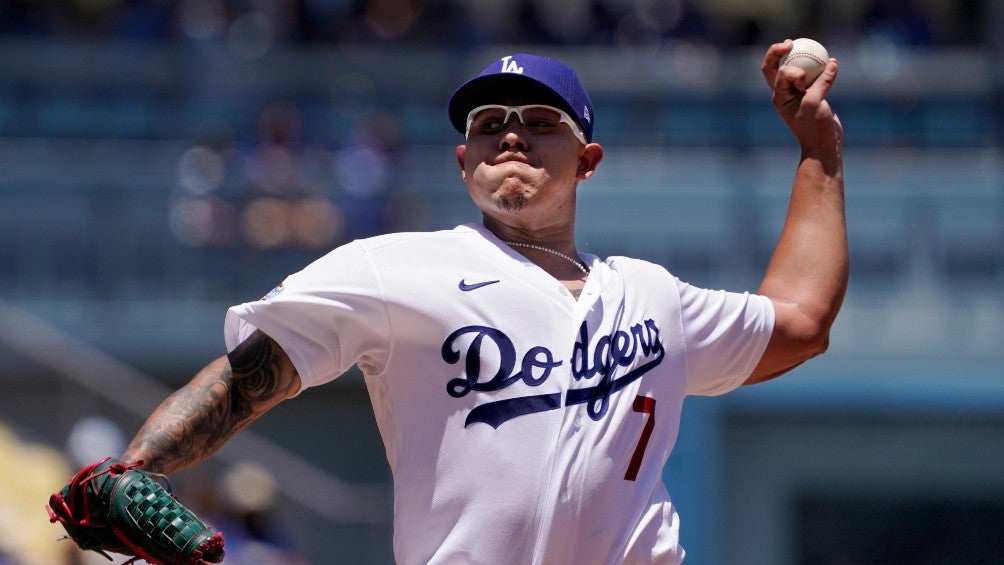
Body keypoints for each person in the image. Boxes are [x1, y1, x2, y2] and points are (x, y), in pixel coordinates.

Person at [118, 42, 846, 564]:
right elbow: (248, 374)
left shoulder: (652, 294)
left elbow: (802, 320)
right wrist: (135, 468)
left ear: (587, 158)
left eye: (538, 119)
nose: (510, 131)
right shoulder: (397, 267)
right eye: (488, 122)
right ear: (464, 160)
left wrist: (819, 150)